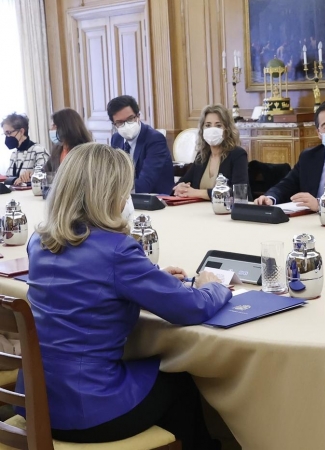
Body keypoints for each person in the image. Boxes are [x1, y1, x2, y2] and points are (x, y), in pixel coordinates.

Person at [20, 142, 231, 448]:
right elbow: (192, 309)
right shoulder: (117, 250)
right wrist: (215, 286)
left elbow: (87, 277)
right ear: (109, 195)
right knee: (180, 380)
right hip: (87, 411)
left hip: (37, 404)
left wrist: (152, 275)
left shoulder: (39, 241)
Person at [174, 104, 249, 200]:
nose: (212, 130)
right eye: (208, 125)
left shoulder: (237, 155)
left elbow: (239, 193)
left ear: (227, 130)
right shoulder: (201, 156)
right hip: (198, 211)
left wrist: (197, 193)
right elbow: (183, 182)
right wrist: (180, 187)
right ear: (202, 129)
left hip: (227, 212)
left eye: (218, 125)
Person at [108, 95, 174, 195]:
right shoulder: (116, 139)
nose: (126, 125)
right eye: (120, 122)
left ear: (138, 116)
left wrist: (116, 194)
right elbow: (113, 176)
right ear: (114, 124)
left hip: (156, 200)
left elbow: (146, 183)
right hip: (126, 199)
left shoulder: (155, 139)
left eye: (130, 119)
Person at [1, 113, 49, 186]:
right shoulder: (14, 154)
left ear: (21, 131)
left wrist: (31, 176)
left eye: (9, 133)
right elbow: (8, 178)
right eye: (5, 134)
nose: (7, 137)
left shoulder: (39, 151)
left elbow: (46, 177)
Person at [43, 108, 93, 173]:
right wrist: (34, 174)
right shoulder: (57, 149)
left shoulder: (84, 152)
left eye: (54, 126)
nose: (51, 129)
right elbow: (46, 170)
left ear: (65, 128)